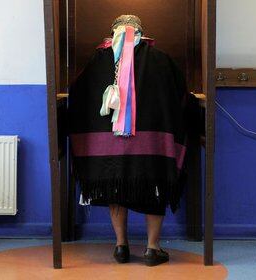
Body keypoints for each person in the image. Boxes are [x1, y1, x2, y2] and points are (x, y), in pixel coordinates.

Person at [68, 15, 193, 266]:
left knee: (117, 186)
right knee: (153, 188)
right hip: (151, 144)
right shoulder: (161, 60)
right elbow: (181, 91)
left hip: (108, 146)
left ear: (111, 32)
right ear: (142, 33)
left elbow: (78, 93)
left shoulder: (96, 60)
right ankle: (152, 248)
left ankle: (121, 246)